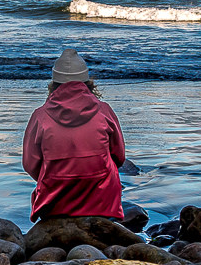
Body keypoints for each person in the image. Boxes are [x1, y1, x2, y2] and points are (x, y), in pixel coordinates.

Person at [22, 48, 126, 221]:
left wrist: (56, 175)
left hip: (55, 200)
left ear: (54, 83)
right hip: (102, 199)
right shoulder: (104, 111)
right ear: (88, 82)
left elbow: (29, 164)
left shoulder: (40, 116)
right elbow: (119, 157)